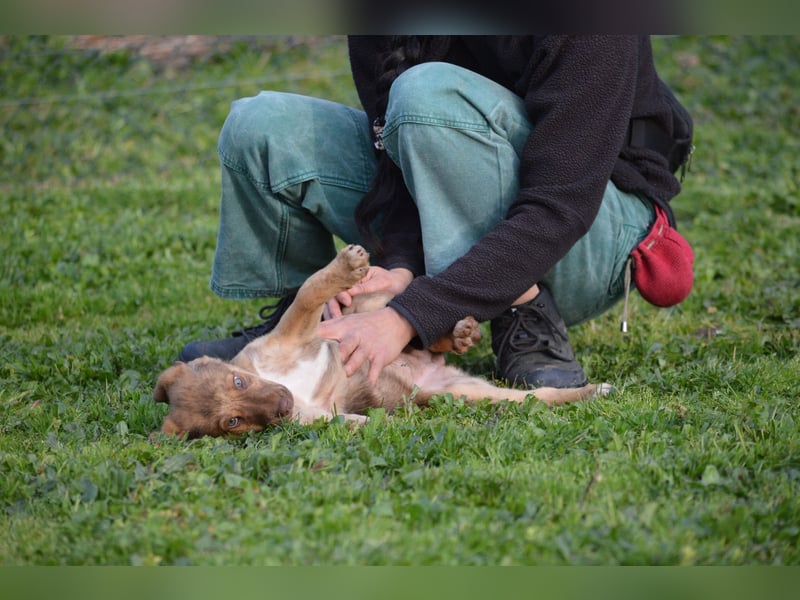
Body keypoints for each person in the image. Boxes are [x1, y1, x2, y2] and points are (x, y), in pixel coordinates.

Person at [179, 35, 693, 390]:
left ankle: (524, 311)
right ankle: (301, 324)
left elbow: (561, 201)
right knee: (261, 125)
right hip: (463, 190)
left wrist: (407, 316)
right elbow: (395, 156)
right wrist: (400, 265)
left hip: (594, 229)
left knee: (426, 94)